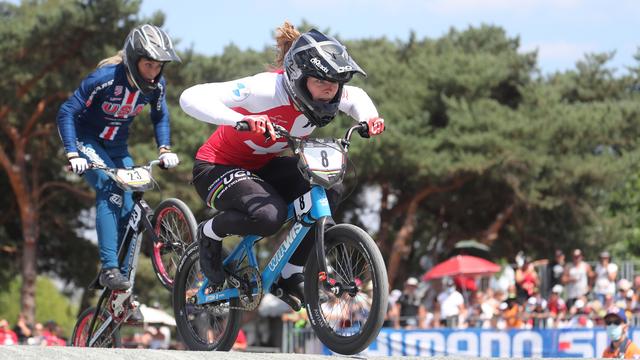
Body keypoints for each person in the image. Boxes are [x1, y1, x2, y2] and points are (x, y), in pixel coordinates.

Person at [179, 21, 385, 305]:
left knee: (330, 187)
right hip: (216, 167)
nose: (330, 92)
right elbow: (190, 97)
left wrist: (368, 118)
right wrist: (239, 119)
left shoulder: (330, 90)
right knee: (269, 217)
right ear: (299, 79)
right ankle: (209, 231)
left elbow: (357, 97)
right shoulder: (265, 89)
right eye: (321, 83)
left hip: (262, 167)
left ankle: (290, 273)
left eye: (335, 85)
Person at [56, 24, 181, 291]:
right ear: (134, 60)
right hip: (86, 140)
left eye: (159, 66)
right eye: (149, 65)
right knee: (111, 189)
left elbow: (160, 115)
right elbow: (67, 111)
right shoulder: (104, 79)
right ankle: (109, 269)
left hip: (117, 148)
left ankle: (123, 289)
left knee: (133, 205)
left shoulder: (157, 86)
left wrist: (165, 149)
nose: (154, 72)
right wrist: (72, 152)